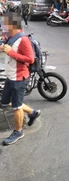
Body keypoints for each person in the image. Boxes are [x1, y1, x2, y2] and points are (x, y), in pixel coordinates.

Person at [0, 12, 40, 146]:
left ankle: (18, 131)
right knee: (7, 102)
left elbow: (30, 59)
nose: (3, 26)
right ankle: (32, 112)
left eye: (6, 23)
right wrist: (4, 49)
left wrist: (10, 52)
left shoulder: (23, 39)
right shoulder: (11, 36)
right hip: (10, 75)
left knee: (16, 106)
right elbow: (9, 50)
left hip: (19, 77)